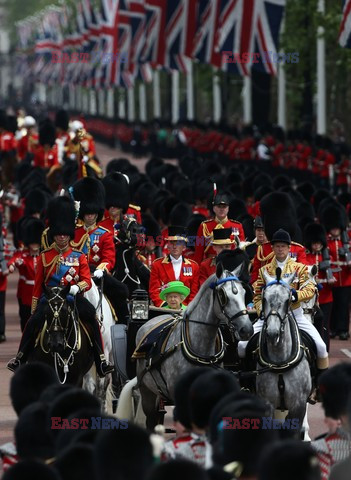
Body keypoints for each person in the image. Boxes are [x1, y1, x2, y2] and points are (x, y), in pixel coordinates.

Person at [7, 196, 114, 377]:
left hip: (73, 296)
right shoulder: (45, 256)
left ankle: (101, 360)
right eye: (58, 235)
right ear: (54, 235)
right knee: (33, 323)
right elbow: (38, 284)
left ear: (69, 235)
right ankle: (20, 358)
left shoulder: (79, 256)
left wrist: (76, 288)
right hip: (50, 297)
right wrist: (35, 308)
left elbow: (87, 281)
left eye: (64, 234)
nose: (62, 238)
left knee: (92, 321)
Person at [238, 229, 329, 397]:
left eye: (283, 246)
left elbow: (310, 288)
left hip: (295, 314)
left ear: (289, 248)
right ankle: (247, 384)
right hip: (269, 316)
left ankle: (318, 387)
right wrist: (261, 312)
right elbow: (257, 294)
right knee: (242, 345)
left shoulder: (299, 268)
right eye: (277, 246)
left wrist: (296, 295)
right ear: (272, 248)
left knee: (322, 347)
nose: (280, 249)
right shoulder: (264, 270)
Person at [72, 177, 129, 322]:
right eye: (87, 213)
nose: (90, 216)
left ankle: (123, 324)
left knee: (120, 293)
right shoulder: (75, 233)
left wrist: (101, 269)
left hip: (97, 275)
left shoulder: (104, 234)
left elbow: (109, 258)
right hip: (77, 276)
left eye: (92, 213)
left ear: (97, 213)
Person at [8, 217, 44, 331]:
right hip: (26, 293)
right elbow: (14, 260)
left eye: (36, 242)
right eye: (32, 242)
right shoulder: (22, 255)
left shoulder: (43, 255)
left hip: (40, 291)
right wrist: (12, 265)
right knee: (26, 319)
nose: (34, 245)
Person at [149, 225, 199, 307]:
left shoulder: (194, 267)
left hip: (186, 310)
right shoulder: (157, 265)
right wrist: (165, 306)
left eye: (178, 243)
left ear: (184, 247)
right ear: (167, 246)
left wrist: (188, 309)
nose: (175, 246)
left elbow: (194, 292)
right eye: (172, 243)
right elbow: (154, 290)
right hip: (164, 309)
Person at [194, 193, 245, 265]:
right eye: (219, 206)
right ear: (214, 208)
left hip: (231, 263)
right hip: (210, 265)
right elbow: (198, 252)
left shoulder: (237, 226)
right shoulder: (204, 226)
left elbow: (241, 250)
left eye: (224, 207)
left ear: (228, 208)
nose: (221, 209)